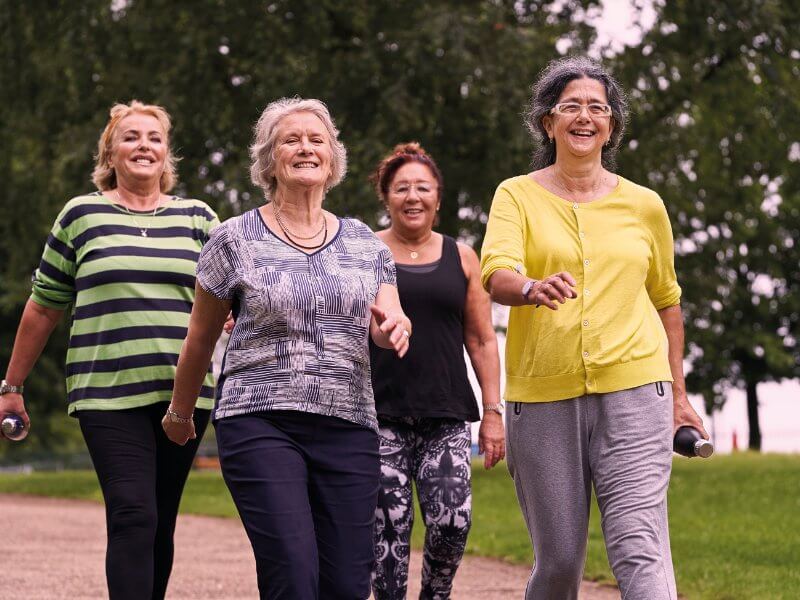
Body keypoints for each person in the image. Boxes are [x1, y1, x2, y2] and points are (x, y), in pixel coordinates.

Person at [162, 97, 411, 600]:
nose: (305, 148)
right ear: (269, 159)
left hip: (348, 425)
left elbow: (386, 320)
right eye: (290, 140)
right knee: (294, 577)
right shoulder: (233, 239)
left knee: (345, 585)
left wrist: (394, 327)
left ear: (333, 158)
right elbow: (201, 335)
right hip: (260, 419)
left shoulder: (365, 243)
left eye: (316, 139)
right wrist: (180, 411)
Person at [480, 57, 708, 600]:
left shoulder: (645, 205)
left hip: (636, 391)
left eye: (598, 108)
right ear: (548, 122)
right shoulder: (516, 194)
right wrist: (532, 287)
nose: (585, 117)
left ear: (611, 125)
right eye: (572, 107)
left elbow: (667, 303)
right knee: (559, 564)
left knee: (639, 546)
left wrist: (678, 394)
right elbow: (497, 274)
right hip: (542, 398)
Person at [0, 101, 218, 599]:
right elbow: (43, 307)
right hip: (107, 394)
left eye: (154, 138)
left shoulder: (199, 218)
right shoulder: (82, 215)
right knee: (133, 514)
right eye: (131, 137)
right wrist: (12, 387)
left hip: (183, 397)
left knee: (160, 522)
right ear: (110, 153)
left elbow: (230, 296)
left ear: (167, 154)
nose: (144, 145)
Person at [368, 143, 504, 599]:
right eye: (401, 188)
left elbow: (483, 339)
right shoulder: (365, 250)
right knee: (387, 531)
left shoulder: (463, 258)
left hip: (444, 415)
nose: (413, 197)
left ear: (438, 199)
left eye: (423, 188)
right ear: (386, 197)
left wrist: (493, 411)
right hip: (377, 413)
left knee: (452, 524)